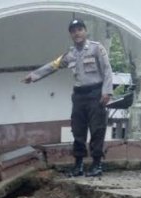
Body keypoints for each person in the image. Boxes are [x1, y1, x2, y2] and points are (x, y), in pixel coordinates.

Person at [23, 18, 113, 177]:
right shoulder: (70, 54)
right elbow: (53, 65)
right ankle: (78, 165)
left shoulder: (96, 49)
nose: (77, 33)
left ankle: (97, 164)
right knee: (78, 131)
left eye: (79, 29)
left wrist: (107, 92)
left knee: (97, 130)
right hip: (79, 96)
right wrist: (34, 75)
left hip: (95, 94)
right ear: (71, 34)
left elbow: (107, 70)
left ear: (85, 31)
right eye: (73, 31)